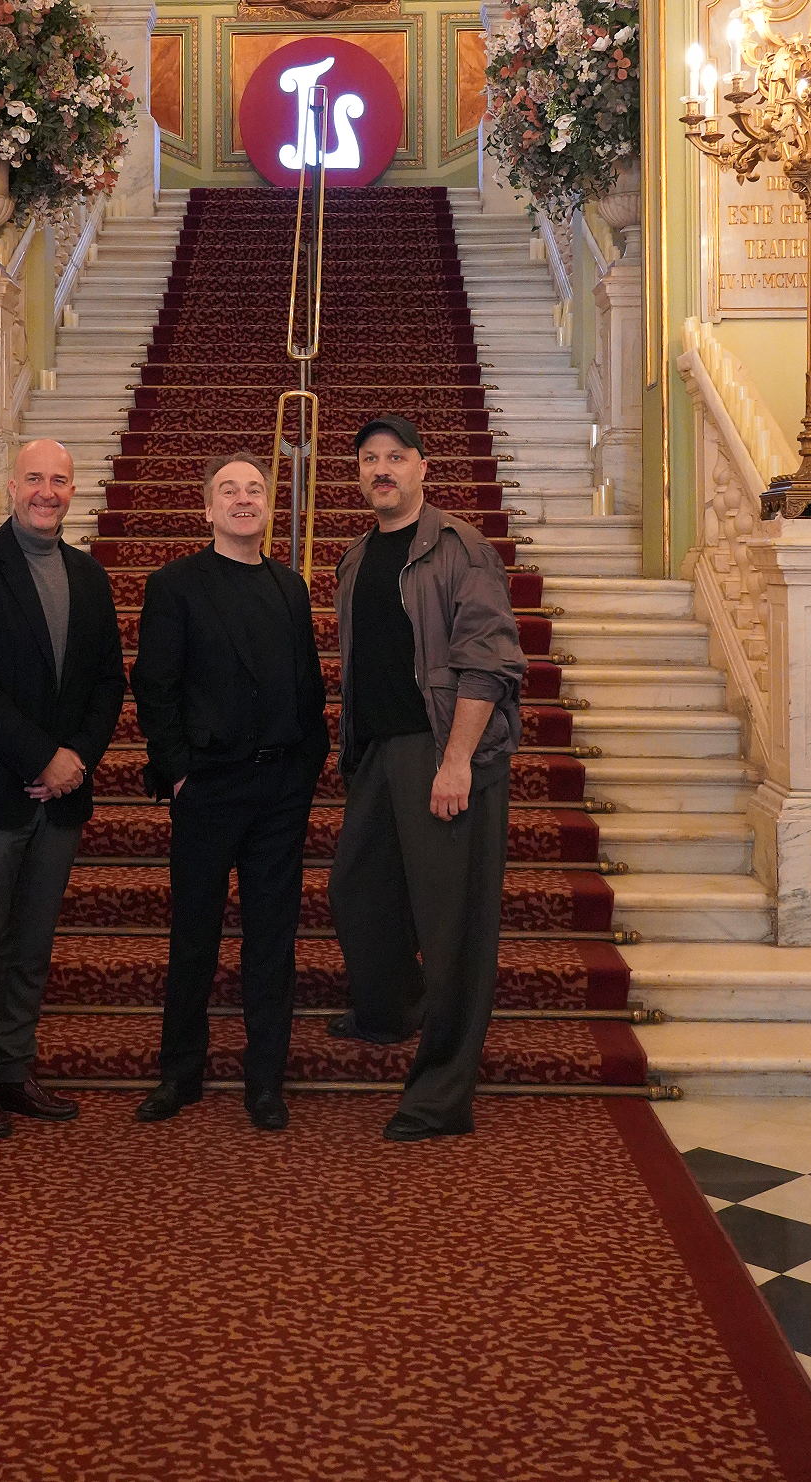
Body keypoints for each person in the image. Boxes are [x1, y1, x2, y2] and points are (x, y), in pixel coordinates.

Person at [327, 415, 527, 1142]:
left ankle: (442, 1095)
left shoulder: (460, 547)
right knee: (356, 890)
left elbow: (489, 662)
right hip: (380, 752)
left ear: (422, 468)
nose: (381, 469)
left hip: (445, 749)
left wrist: (457, 760)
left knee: (453, 929)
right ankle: (391, 1009)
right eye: (368, 459)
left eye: (396, 457)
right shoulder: (356, 557)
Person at [0, 439, 126, 1139]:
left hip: (60, 799)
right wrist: (42, 757)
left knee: (32, 946)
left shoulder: (89, 576)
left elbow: (109, 683)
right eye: (35, 478)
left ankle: (13, 1069)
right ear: (11, 487)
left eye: (59, 480)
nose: (47, 491)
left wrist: (75, 761)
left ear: (73, 491)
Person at [130, 452, 330, 1132]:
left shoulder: (289, 587)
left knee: (272, 940)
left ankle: (265, 1082)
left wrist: (306, 766)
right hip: (208, 787)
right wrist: (179, 771)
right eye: (228, 490)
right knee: (195, 935)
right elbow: (154, 686)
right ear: (208, 508)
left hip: (280, 790)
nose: (243, 499)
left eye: (254, 490)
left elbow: (307, 683)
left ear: (267, 507)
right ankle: (179, 1075)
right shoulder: (175, 585)